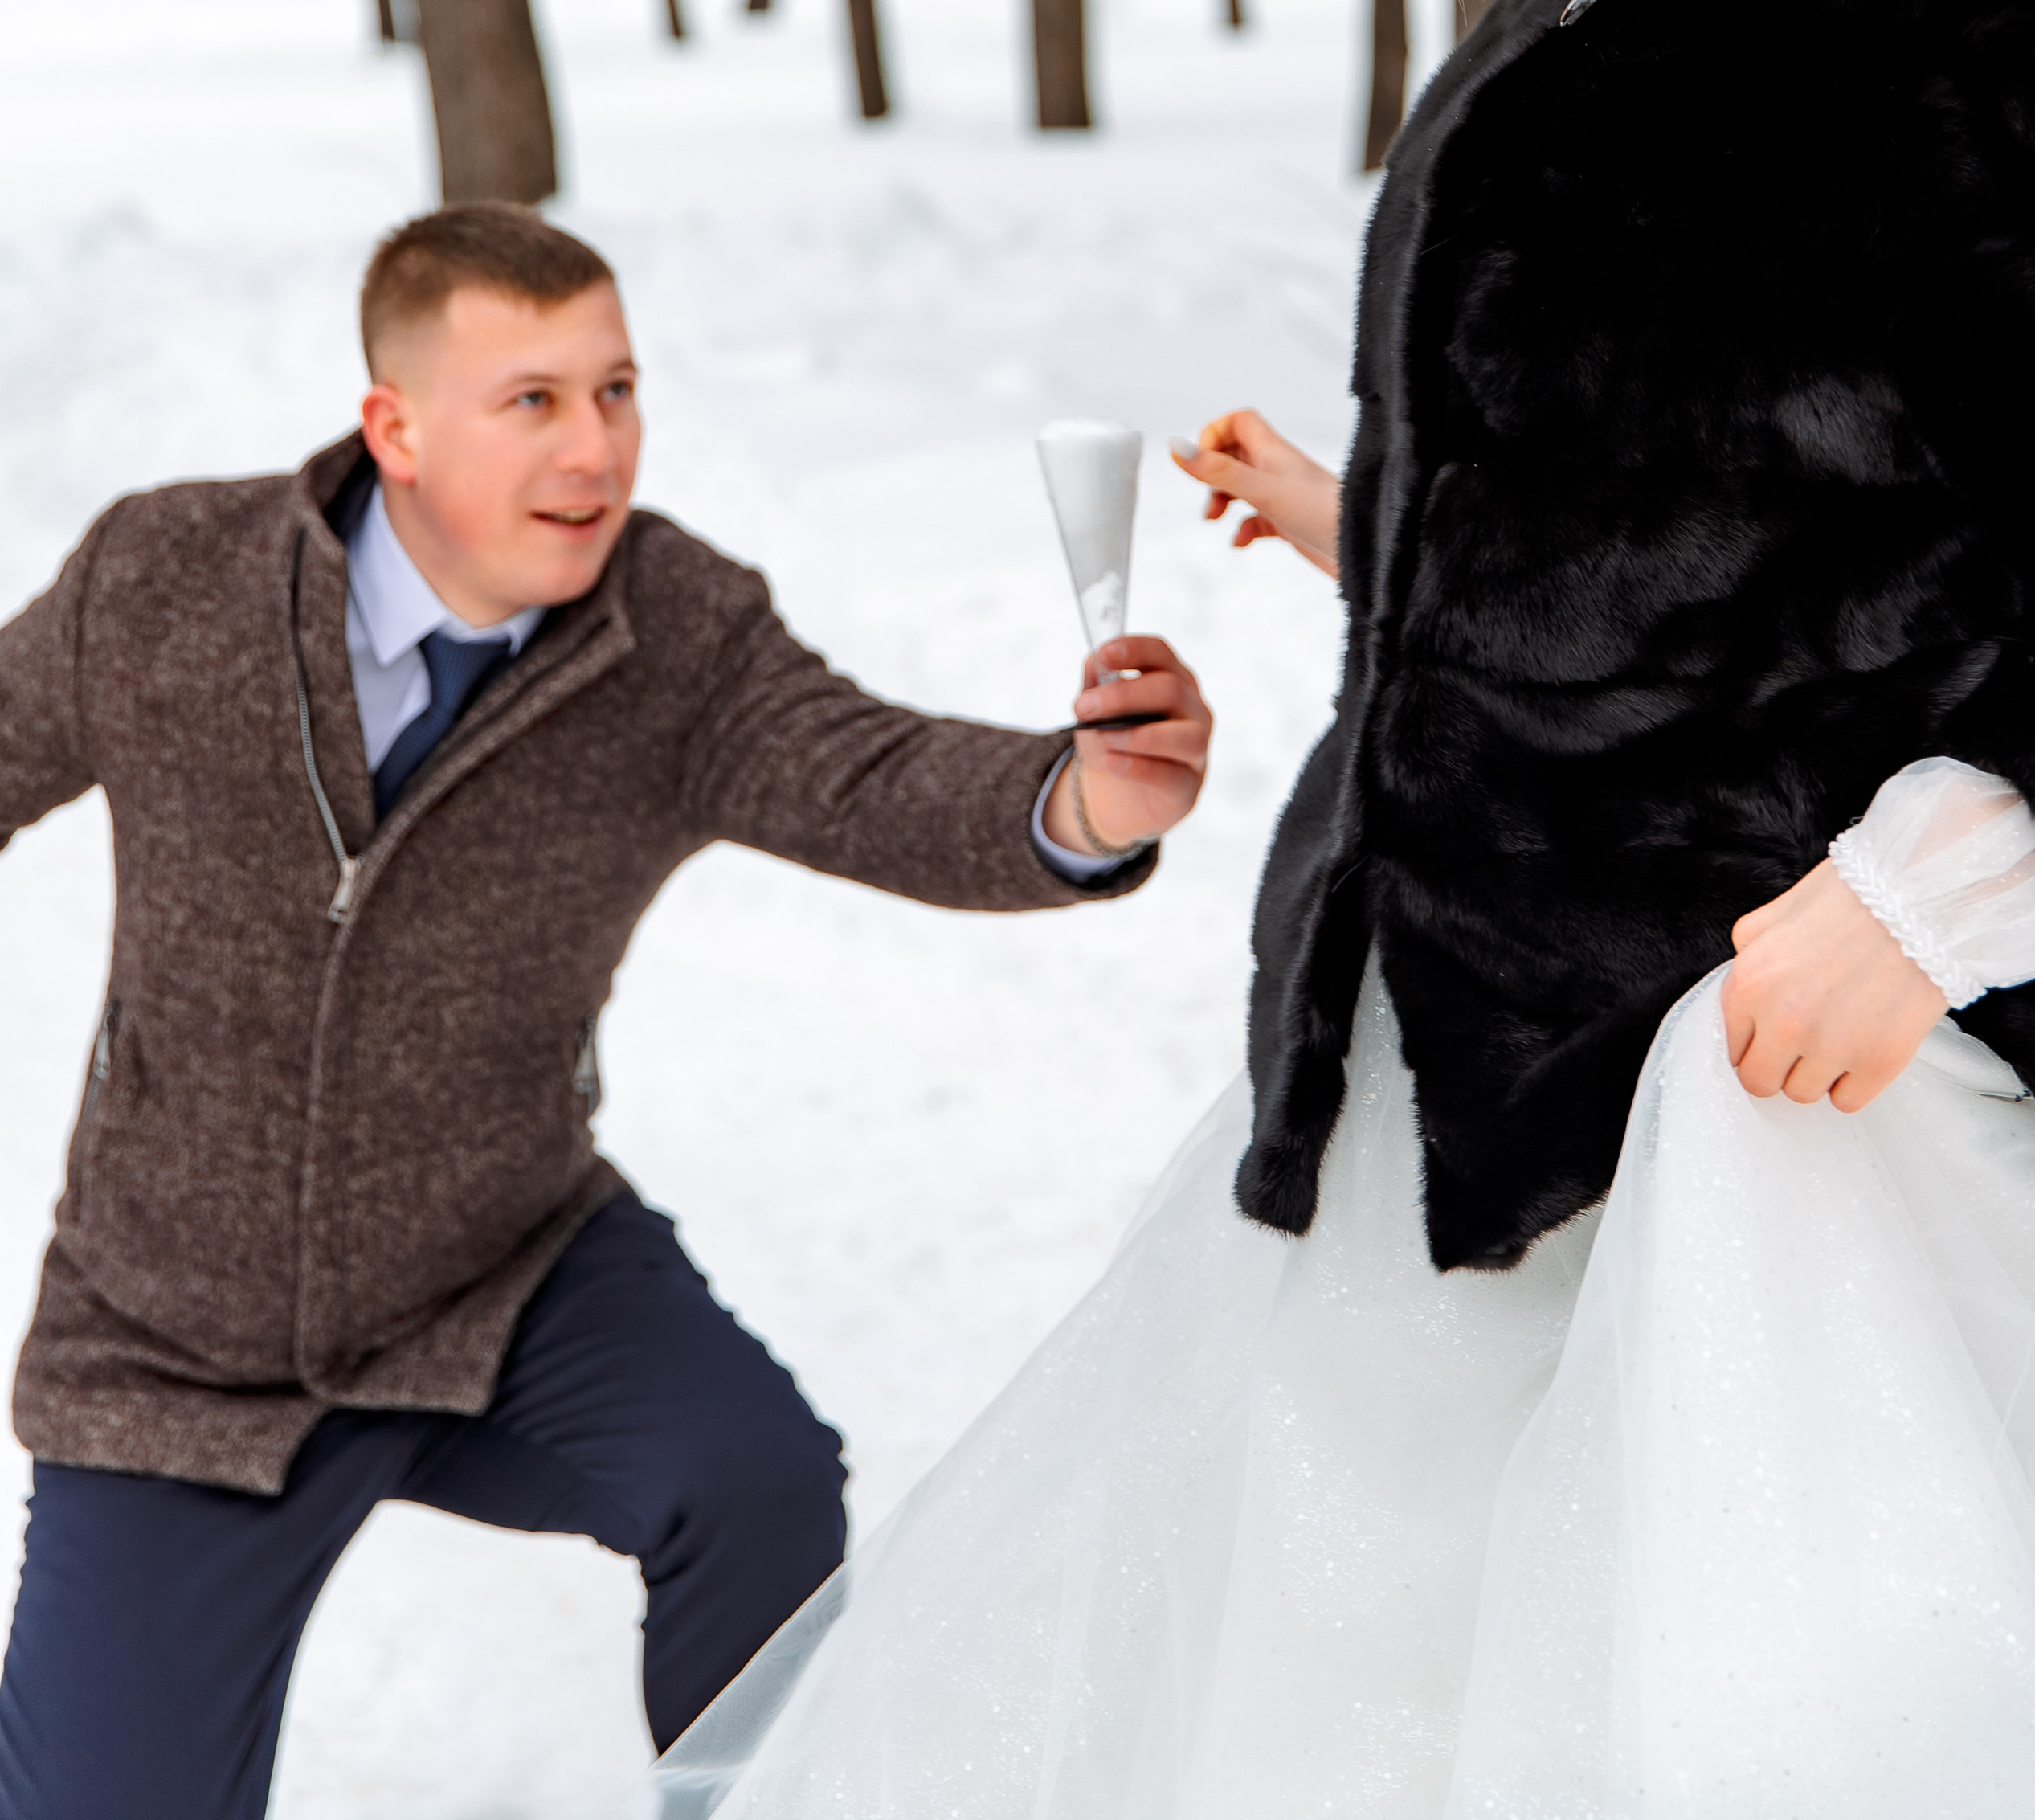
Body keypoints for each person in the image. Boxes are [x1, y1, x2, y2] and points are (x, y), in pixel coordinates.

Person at [651, 0, 2035, 1819]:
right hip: (1456, 1052)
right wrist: (1389, 532)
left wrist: (1954, 873)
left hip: (1784, 1113)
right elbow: (1729, 481)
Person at [0, 201, 1214, 1820]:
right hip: (179, 1339)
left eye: (617, 390)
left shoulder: (671, 632)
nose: (598, 447)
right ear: (399, 429)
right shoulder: (167, 579)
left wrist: (1084, 801)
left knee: (755, 1481)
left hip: (500, 1272)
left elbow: (873, 779)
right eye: (535, 402)